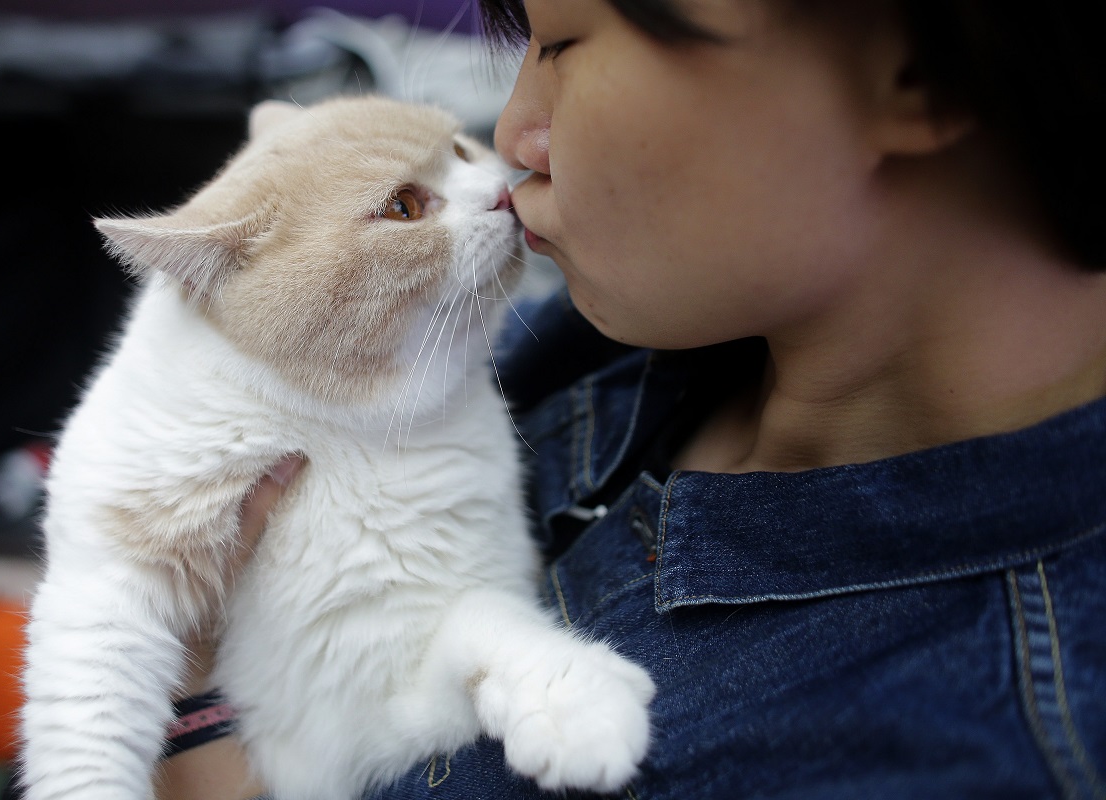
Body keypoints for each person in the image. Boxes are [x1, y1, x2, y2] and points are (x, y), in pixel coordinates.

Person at [158, 0, 1106, 797]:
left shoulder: (944, 750)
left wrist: (190, 692)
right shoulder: (647, 342)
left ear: (918, 68)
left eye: (565, 43)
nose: (515, 134)